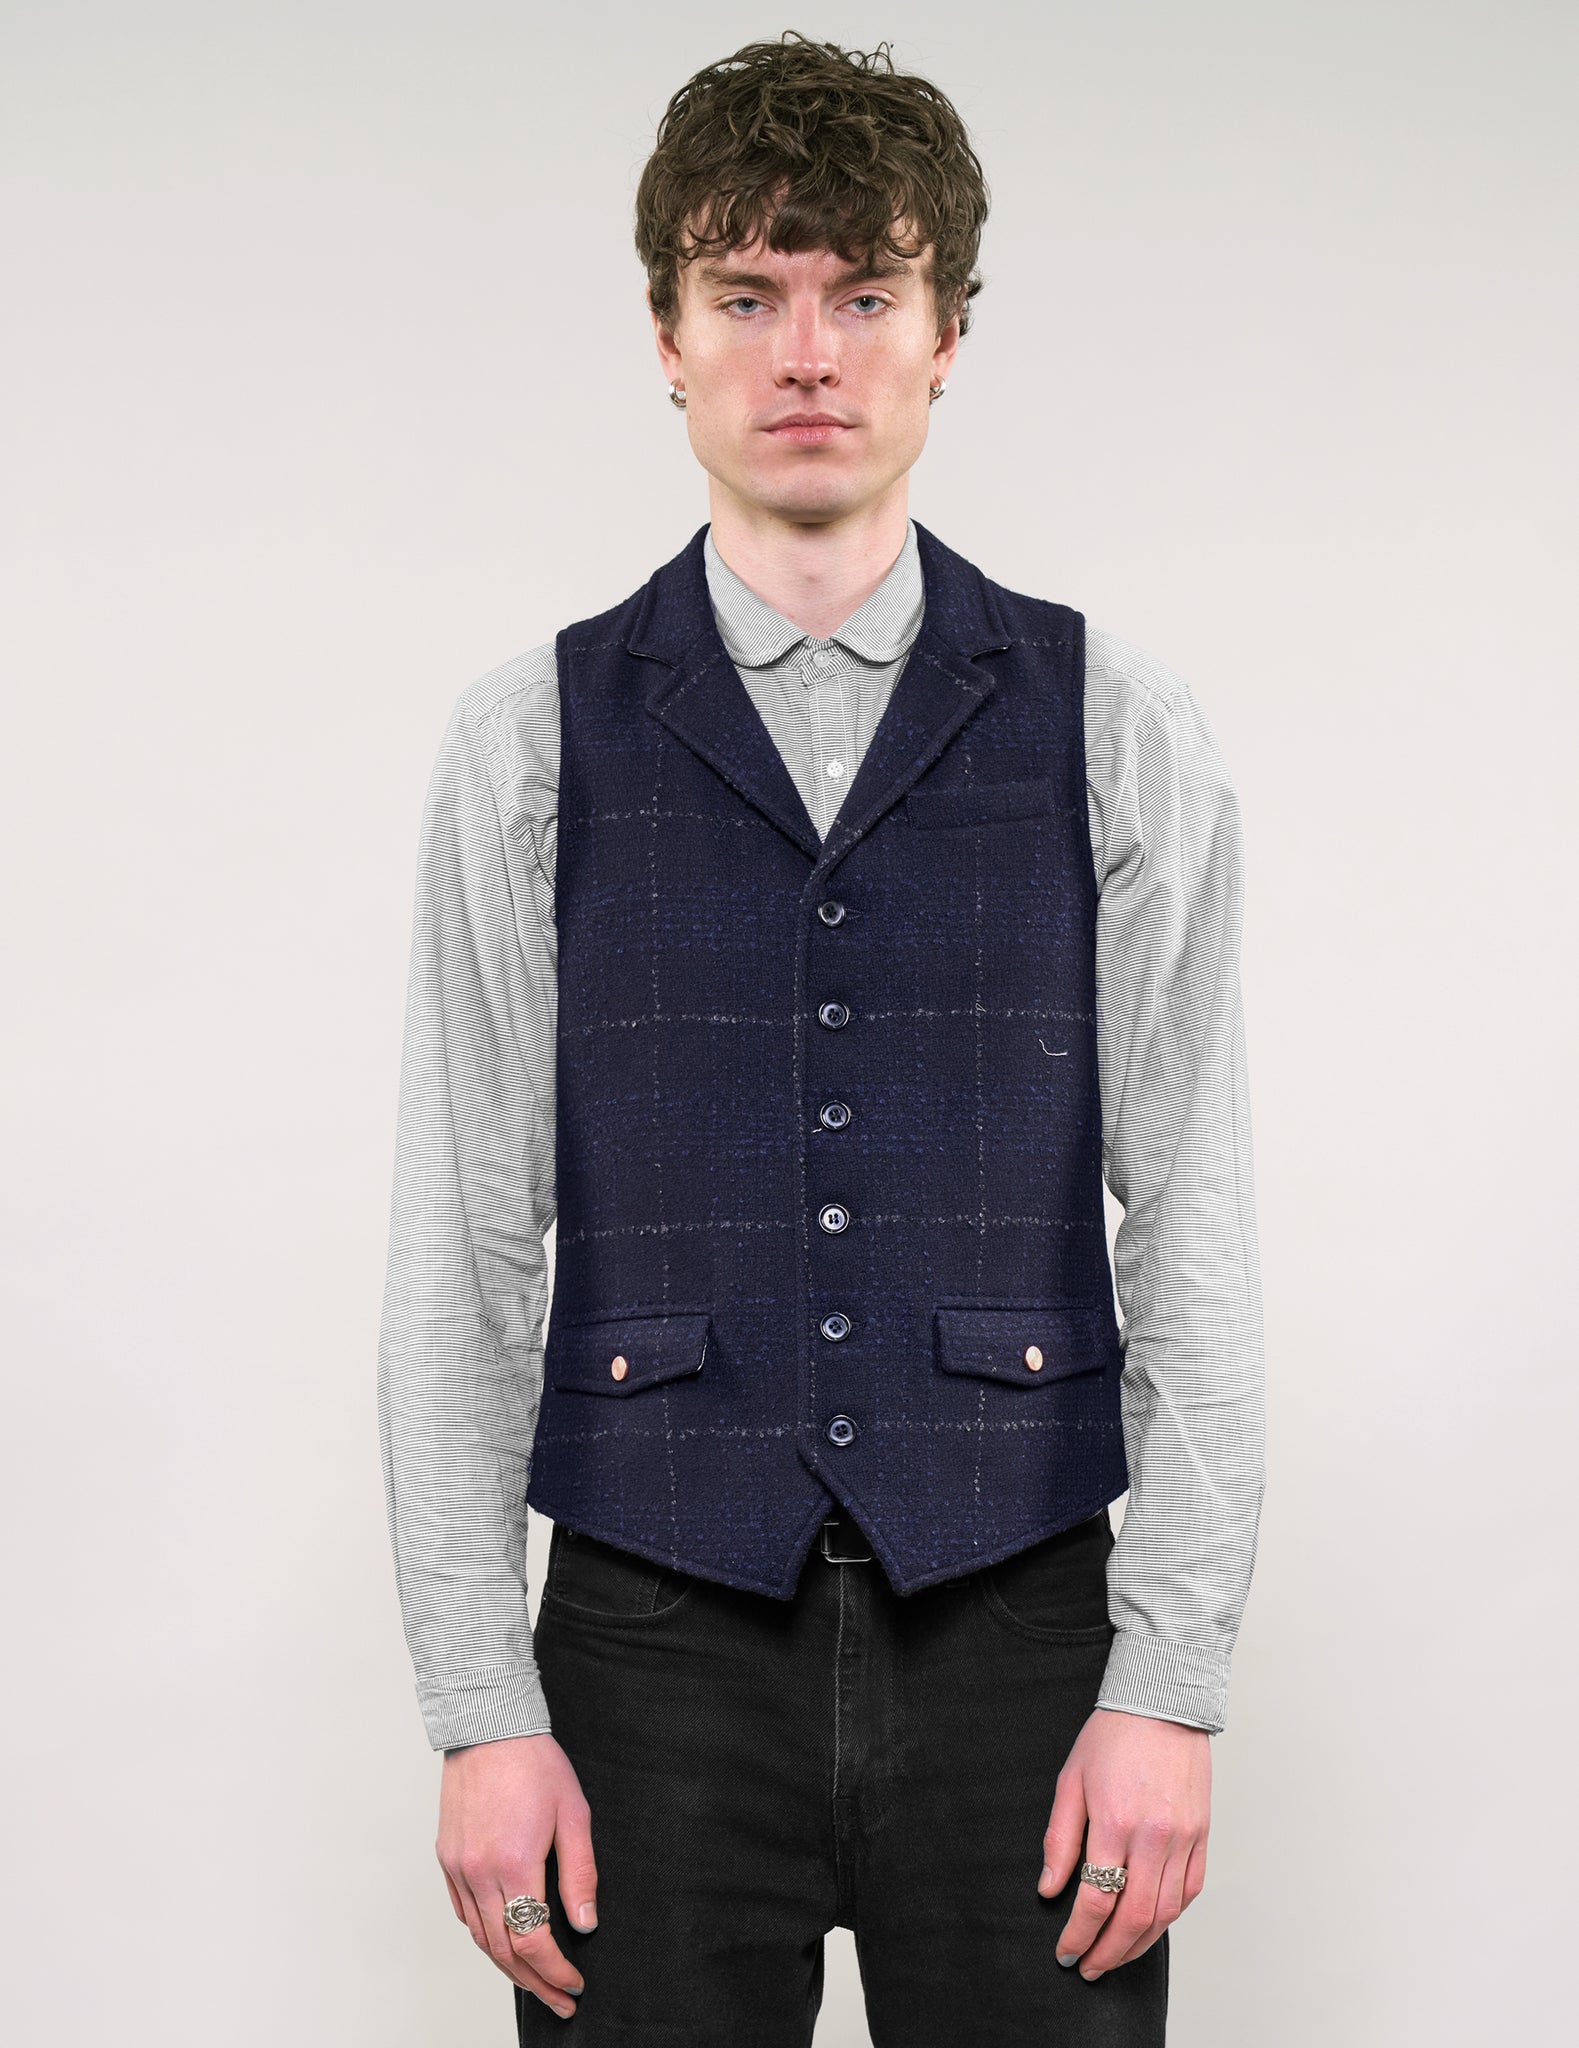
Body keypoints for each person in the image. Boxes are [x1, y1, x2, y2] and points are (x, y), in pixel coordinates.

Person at [377, 31, 1265, 2046]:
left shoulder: (1116, 726)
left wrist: (1167, 1682)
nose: (806, 353)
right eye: (745, 293)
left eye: (864, 293)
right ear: (666, 338)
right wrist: (480, 1711)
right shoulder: (526, 745)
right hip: (648, 1643)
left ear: (949, 336)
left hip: (1023, 1630)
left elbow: (1194, 1228)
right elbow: (461, 1250)